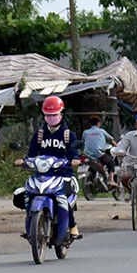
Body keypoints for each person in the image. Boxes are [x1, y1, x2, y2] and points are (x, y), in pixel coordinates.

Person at [24, 96, 80, 243]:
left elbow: (74, 153)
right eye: (48, 115)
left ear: (61, 114)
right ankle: (30, 225)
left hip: (63, 174)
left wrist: (75, 160)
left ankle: (72, 225)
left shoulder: (69, 135)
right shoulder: (40, 135)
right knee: (27, 195)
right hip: (43, 174)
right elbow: (31, 154)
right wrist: (24, 161)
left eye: (54, 115)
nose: (51, 118)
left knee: (65, 201)